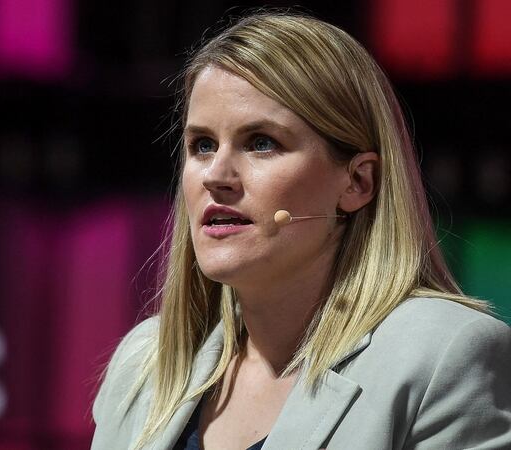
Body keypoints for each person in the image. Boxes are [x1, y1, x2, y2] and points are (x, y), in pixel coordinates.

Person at [91, 12, 511, 450]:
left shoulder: (446, 356)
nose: (216, 175)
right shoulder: (142, 363)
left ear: (357, 183)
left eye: (261, 143)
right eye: (202, 145)